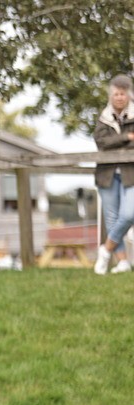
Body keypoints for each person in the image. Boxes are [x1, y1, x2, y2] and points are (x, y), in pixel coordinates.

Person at [94, 74, 134, 275]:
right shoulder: (104, 118)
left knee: (129, 213)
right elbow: (101, 142)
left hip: (130, 174)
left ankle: (106, 249)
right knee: (112, 218)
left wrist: (117, 141)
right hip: (107, 175)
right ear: (111, 95)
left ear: (129, 95)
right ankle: (123, 262)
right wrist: (126, 137)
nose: (119, 97)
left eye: (123, 94)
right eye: (116, 94)